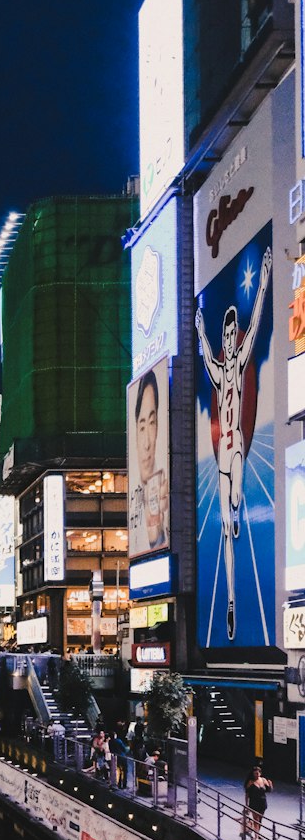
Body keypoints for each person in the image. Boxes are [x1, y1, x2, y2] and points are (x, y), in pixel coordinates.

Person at [195, 245, 273, 642]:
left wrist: (262, 283)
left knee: (237, 501)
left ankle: (239, 507)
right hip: (221, 455)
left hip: (236, 445)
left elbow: (257, 323)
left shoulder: (239, 361)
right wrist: (198, 330)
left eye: (230, 332)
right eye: (225, 334)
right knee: (225, 529)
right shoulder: (218, 364)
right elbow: (206, 354)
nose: (228, 339)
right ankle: (229, 601)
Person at [130, 368, 168, 555]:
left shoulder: (167, 494)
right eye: (142, 426)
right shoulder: (133, 502)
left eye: (152, 424)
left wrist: (158, 536)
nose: (146, 443)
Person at [243, 764, 273, 840]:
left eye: (258, 773)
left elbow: (269, 790)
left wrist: (270, 784)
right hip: (254, 803)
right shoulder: (250, 782)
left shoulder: (263, 780)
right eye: (255, 773)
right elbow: (247, 794)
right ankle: (255, 837)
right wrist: (247, 805)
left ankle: (257, 833)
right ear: (253, 774)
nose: (257, 775)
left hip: (262, 802)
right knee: (256, 819)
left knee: (260, 820)